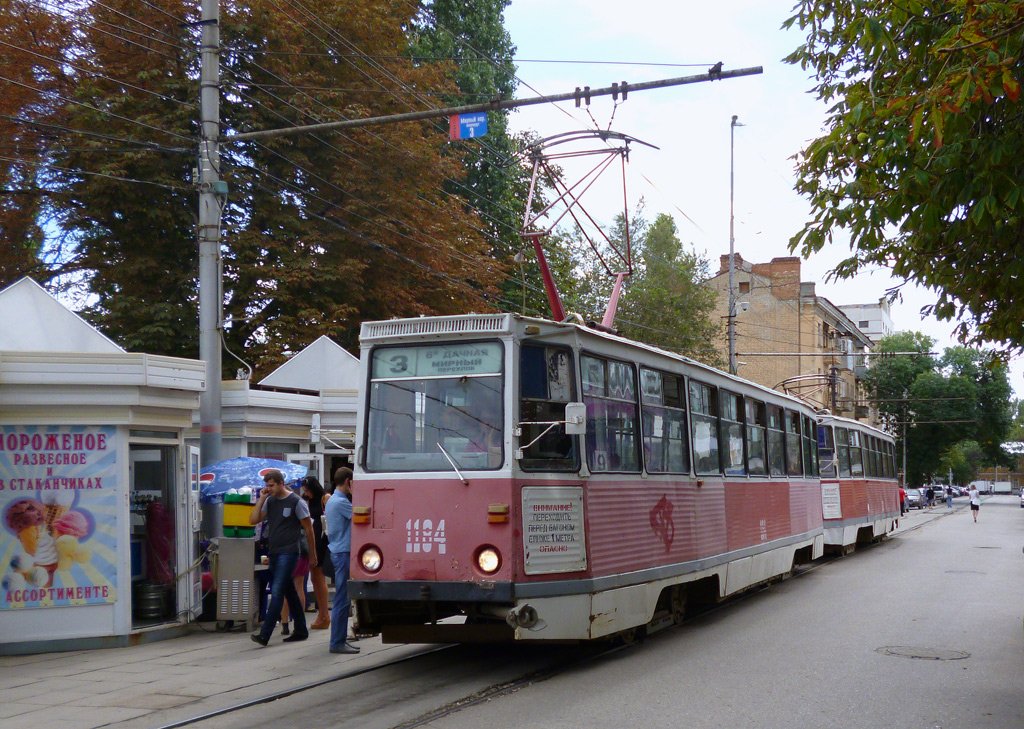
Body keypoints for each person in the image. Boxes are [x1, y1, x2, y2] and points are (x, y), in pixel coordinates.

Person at [249, 470, 317, 646]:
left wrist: (312, 555)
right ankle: (301, 630)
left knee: (277, 590)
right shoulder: (270, 501)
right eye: (266, 486)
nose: (268, 489)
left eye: (271, 485)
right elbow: (253, 519)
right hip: (274, 552)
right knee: (290, 592)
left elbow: (309, 529)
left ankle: (265, 634)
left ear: (281, 483)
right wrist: (262, 499)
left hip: (290, 552)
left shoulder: (296, 502)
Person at [326, 466, 359, 655]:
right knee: (342, 598)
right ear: (348, 482)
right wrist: (356, 494)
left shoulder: (332, 500)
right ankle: (337, 642)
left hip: (337, 551)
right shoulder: (341, 502)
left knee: (342, 597)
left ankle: (338, 639)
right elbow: (362, 515)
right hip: (344, 552)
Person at [301, 476, 331, 630]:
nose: (306, 492)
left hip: (322, 540)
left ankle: (324, 614)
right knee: (315, 576)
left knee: (319, 577)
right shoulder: (306, 501)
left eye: (308, 490)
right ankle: (322, 614)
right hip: (313, 540)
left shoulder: (325, 498)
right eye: (304, 490)